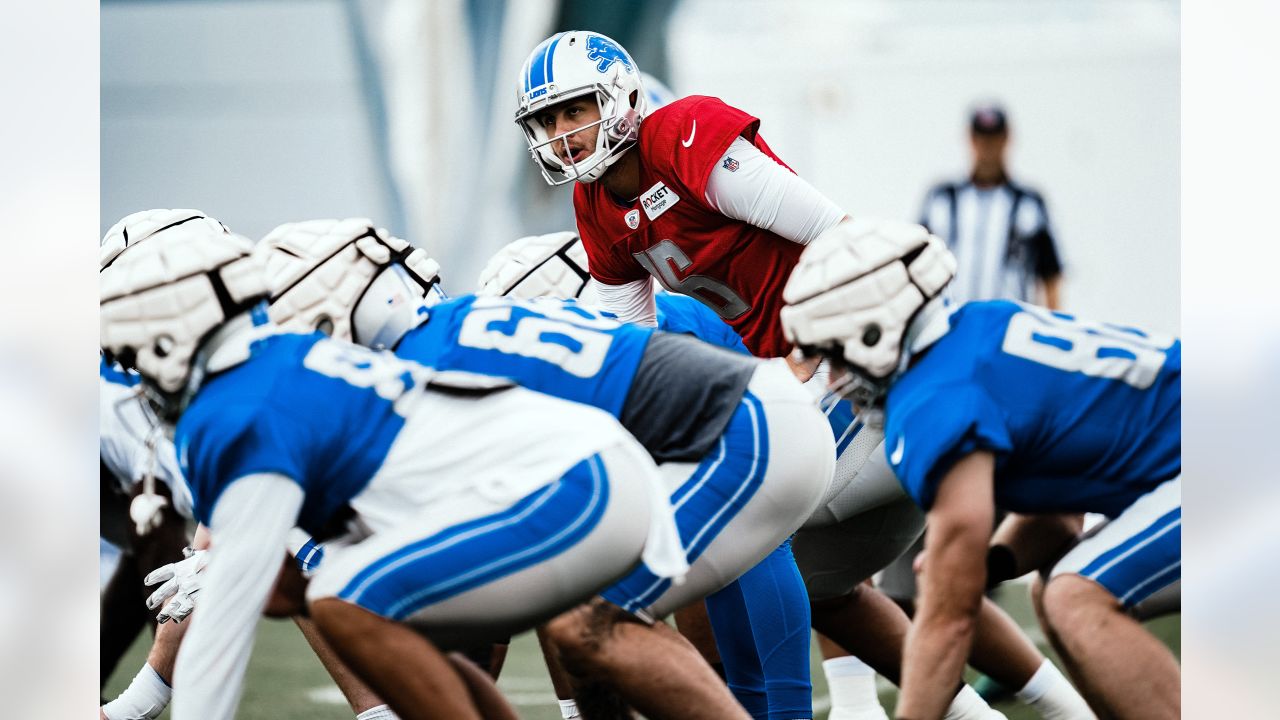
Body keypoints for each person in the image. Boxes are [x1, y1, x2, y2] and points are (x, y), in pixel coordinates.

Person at [483, 232, 1101, 720]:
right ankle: (991, 712)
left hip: (846, 432)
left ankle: (792, 710)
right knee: (839, 585)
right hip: (833, 437)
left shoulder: (628, 338)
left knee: (730, 549)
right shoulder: (627, 328)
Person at [99, 218, 689, 720]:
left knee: (341, 597)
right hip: (578, 475)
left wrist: (228, 563)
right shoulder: (275, 370)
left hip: (573, 483)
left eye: (129, 350)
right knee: (411, 628)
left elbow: (223, 630)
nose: (128, 374)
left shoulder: (249, 402)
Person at [257, 217, 836, 720]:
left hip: (745, 435)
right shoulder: (443, 332)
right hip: (750, 427)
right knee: (577, 619)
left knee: (597, 620)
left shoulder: (422, 371)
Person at [780, 219, 1180, 720]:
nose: (834, 377)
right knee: (1055, 588)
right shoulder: (978, 326)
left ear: (875, 332)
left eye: (835, 353)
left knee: (1076, 596)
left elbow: (949, 621)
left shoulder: (932, 399)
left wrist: (955, 582)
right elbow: (1061, 517)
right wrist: (987, 566)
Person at [513, 30, 847, 365]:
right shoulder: (593, 204)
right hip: (771, 354)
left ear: (622, 98)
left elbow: (840, 235)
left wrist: (812, 343)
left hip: (840, 326)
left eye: (573, 112)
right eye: (547, 120)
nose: (559, 135)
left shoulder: (683, 139)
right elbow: (635, 350)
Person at [917, 103, 1064, 309]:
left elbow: (1050, 274)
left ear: (1006, 140)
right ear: (970, 140)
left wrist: (1051, 328)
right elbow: (916, 263)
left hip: (1007, 326)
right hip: (950, 323)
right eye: (981, 138)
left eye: (994, 138)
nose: (987, 147)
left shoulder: (1029, 203)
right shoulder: (941, 199)